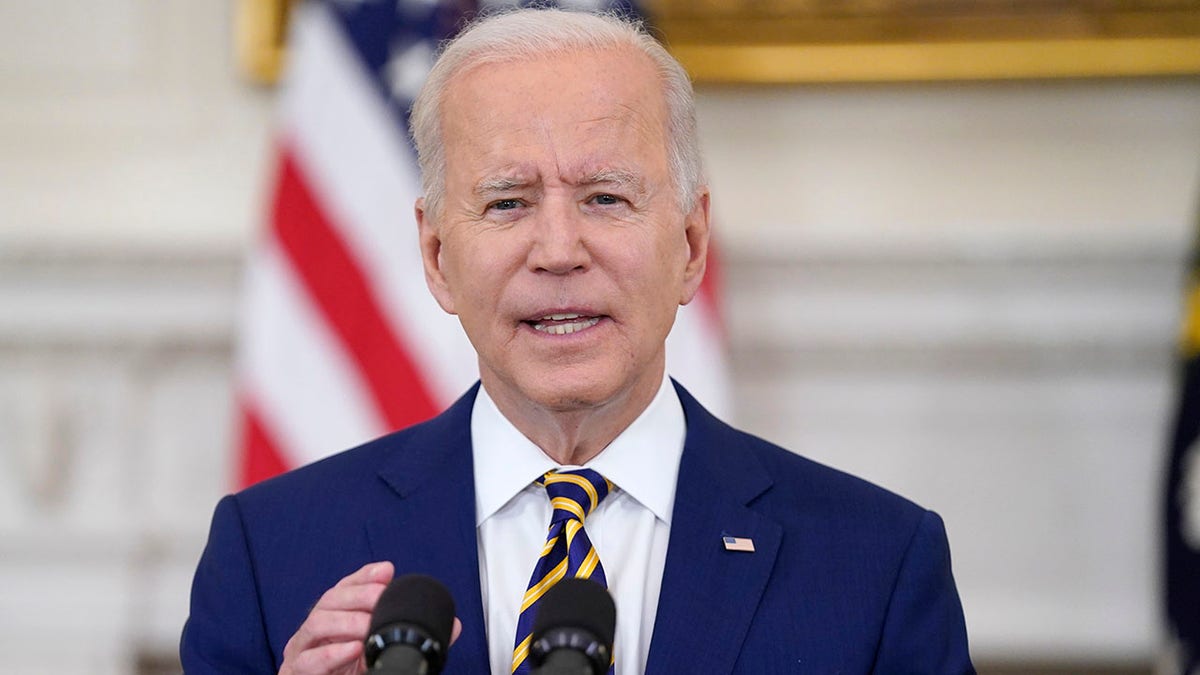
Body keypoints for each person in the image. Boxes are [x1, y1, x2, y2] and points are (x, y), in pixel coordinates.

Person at [181, 8, 973, 675]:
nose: (559, 249)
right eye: (507, 204)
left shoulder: (876, 566)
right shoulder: (269, 556)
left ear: (691, 242)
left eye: (604, 196)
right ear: (436, 257)